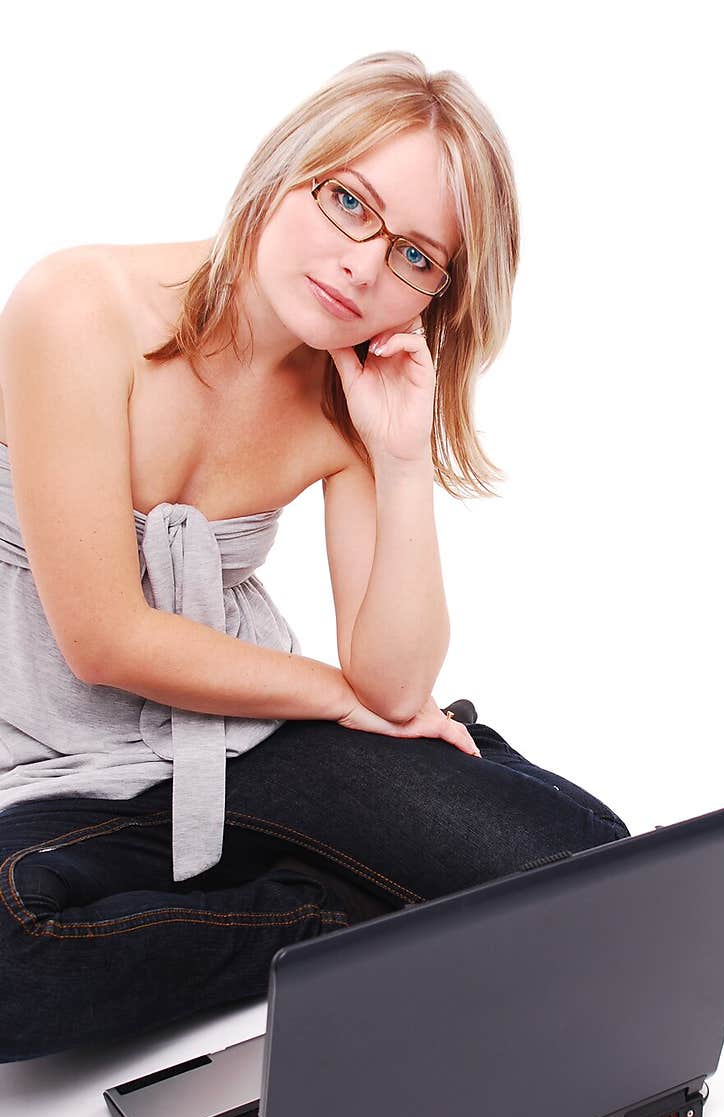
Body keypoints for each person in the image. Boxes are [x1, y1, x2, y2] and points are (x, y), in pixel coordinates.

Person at [0, 51, 630, 1064]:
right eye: (348, 202)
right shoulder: (77, 307)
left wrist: (399, 456)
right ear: (288, 168)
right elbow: (102, 637)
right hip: (53, 766)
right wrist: (331, 694)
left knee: (594, 871)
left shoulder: (346, 395)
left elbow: (391, 682)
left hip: (255, 741)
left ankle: (374, 855)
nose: (362, 267)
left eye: (416, 258)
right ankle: (337, 921)